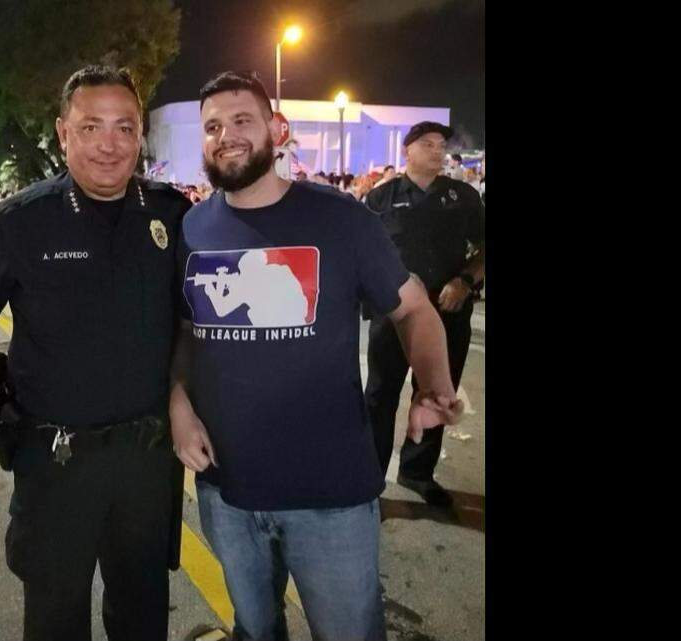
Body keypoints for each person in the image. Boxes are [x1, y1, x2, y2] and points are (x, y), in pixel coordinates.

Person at [170, 71, 462, 641]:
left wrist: (432, 385)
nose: (225, 135)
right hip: (227, 491)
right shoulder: (193, 227)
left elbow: (414, 309)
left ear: (276, 130)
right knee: (256, 631)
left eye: (241, 121)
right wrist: (179, 403)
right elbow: (187, 330)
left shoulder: (341, 218)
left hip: (330, 496)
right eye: (212, 127)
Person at [0, 65, 192, 641]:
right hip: (56, 465)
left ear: (141, 135)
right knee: (55, 619)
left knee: (142, 616)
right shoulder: (16, 223)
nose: (109, 145)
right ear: (63, 133)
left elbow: (195, 322)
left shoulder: (170, 213)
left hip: (147, 463)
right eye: (90, 127)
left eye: (124, 127)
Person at [362, 121, 485, 507]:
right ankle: (368, 477)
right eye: (428, 144)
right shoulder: (380, 200)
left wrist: (465, 281)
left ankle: (417, 472)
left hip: (449, 312)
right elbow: (362, 254)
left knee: (434, 394)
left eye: (442, 145)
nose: (438, 151)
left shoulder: (463, 196)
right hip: (394, 317)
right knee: (380, 395)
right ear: (407, 151)